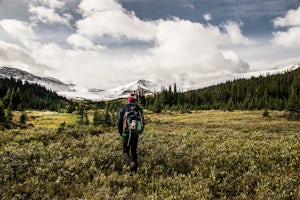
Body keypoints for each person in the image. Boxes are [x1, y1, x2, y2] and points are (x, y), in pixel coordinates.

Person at [118, 93, 144, 174]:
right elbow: (143, 122)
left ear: (128, 100)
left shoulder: (123, 109)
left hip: (126, 133)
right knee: (133, 151)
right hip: (135, 133)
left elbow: (119, 122)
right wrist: (140, 131)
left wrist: (121, 132)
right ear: (136, 101)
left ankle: (131, 163)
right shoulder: (139, 109)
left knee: (125, 151)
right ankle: (134, 172)